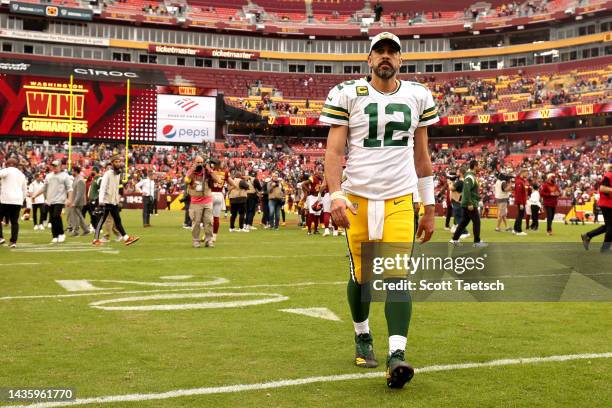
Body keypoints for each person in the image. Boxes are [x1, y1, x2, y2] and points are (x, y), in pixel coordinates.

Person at [322, 32, 437, 389]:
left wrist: (429, 206)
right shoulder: (347, 93)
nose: (386, 57)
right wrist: (335, 194)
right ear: (369, 59)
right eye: (380, 51)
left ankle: (397, 355)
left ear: (401, 60)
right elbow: (333, 151)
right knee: (361, 277)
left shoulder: (418, 95)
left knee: (397, 276)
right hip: (357, 198)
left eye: (392, 52)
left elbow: (422, 155)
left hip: (401, 198)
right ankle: (362, 335)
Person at [92, 155, 139, 246]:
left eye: (119, 161)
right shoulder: (107, 174)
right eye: (116, 162)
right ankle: (95, 239)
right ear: (112, 163)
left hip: (113, 202)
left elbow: (117, 188)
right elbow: (103, 188)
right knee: (102, 220)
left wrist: (117, 200)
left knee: (118, 221)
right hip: (106, 202)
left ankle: (126, 238)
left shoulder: (118, 174)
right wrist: (101, 201)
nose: (118, 163)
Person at [31, 160, 73, 244]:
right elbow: (44, 188)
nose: (54, 167)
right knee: (52, 218)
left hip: (60, 200)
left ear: (60, 166)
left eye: (56, 166)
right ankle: (55, 235)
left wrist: (69, 199)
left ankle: (61, 234)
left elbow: (70, 189)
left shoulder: (65, 176)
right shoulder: (48, 176)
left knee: (56, 216)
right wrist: (35, 195)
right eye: (53, 166)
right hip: (50, 200)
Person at [184, 156, 220, 248]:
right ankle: (196, 241)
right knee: (196, 222)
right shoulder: (191, 171)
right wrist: (193, 170)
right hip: (196, 202)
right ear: (194, 162)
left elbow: (218, 180)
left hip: (207, 200)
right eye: (198, 162)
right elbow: (186, 180)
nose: (200, 164)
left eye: (201, 162)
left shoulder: (207, 171)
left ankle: (209, 240)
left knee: (208, 222)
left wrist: (209, 170)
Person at [451, 160, 487, 246]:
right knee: (477, 222)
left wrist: (477, 197)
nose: (479, 168)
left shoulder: (471, 176)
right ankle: (476, 242)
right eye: (478, 165)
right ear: (474, 166)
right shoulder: (470, 177)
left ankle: (454, 239)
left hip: (469, 202)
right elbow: (466, 190)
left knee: (464, 222)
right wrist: (470, 203)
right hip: (469, 203)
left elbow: (470, 191)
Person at [581, 163, 612, 252]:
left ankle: (588, 235)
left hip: (608, 203)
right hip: (607, 204)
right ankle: (605, 249)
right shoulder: (609, 175)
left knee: (608, 226)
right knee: (611, 227)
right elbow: (602, 188)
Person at [0, 158, 27, 248]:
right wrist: (21, 200)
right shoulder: (21, 174)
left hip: (5, 199)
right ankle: (13, 241)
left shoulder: (7, 170)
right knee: (14, 222)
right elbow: (24, 190)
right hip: (17, 200)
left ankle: (0, 237)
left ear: (7, 164)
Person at [69, 166, 90, 236]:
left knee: (78, 217)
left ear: (75, 171)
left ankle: (77, 230)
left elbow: (79, 193)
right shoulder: (76, 179)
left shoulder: (80, 180)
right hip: (76, 201)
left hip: (78, 202)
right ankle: (84, 230)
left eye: (72, 171)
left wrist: (74, 203)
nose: (72, 172)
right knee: (78, 216)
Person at [513, 168, 528, 236]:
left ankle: (515, 229)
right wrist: (521, 203)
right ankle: (519, 231)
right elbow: (519, 193)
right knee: (520, 215)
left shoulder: (521, 181)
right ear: (522, 173)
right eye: (526, 172)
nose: (527, 174)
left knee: (519, 215)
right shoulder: (519, 181)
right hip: (521, 201)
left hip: (521, 201)